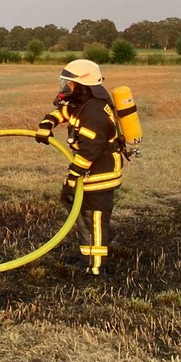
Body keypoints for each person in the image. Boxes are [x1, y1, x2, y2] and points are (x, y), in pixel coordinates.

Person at [35, 59, 123, 275]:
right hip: (90, 173)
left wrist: (71, 179)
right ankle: (87, 257)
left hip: (100, 175)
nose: (65, 87)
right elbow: (65, 112)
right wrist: (47, 123)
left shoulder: (94, 113)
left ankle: (93, 267)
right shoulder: (84, 103)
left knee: (94, 218)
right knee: (84, 215)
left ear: (82, 85)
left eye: (68, 83)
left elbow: (88, 152)